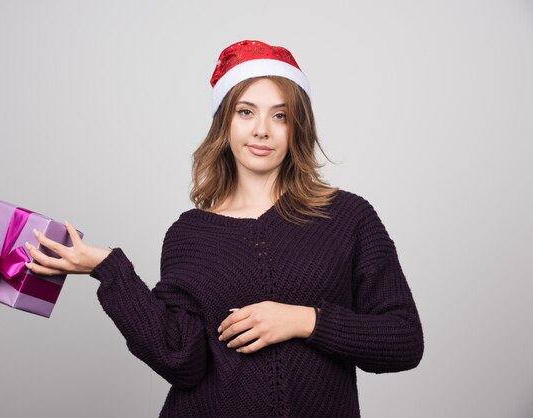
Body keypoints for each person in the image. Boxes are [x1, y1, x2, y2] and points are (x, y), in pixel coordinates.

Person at [24, 40, 424, 417]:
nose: (261, 129)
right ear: (225, 124)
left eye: (280, 115)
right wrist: (109, 268)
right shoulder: (189, 235)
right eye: (246, 112)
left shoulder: (347, 216)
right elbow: (181, 359)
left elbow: (404, 340)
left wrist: (304, 321)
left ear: (296, 127)